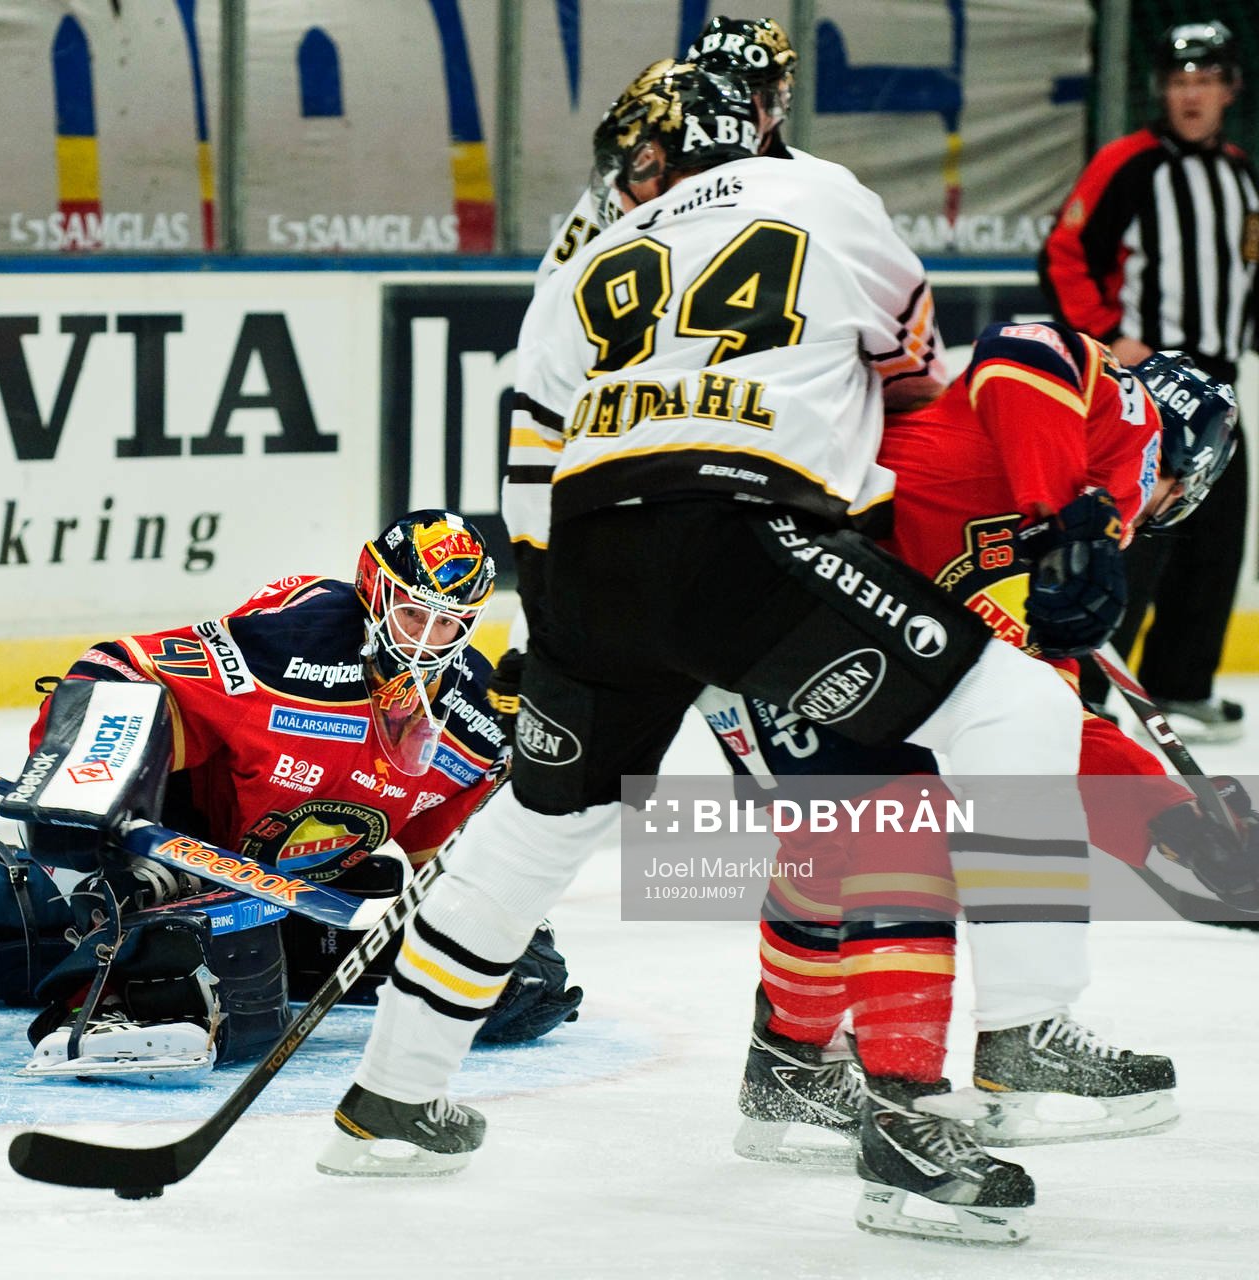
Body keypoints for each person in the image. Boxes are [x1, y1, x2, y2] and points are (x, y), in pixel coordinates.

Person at [319, 62, 1112, 1246]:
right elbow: (906, 369)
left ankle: (389, 1101)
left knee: (538, 827)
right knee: (1015, 715)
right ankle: (1021, 1038)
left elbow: (532, 433)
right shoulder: (826, 193)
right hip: (740, 538)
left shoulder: (595, 247)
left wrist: (550, 615)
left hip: (584, 561)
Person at [723, 327, 1259, 1199]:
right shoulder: (1108, 431)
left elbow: (1052, 733)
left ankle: (791, 1068)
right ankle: (898, 1091)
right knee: (882, 829)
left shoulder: (1063, 553)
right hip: (764, 578)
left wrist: (1184, 827)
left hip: (806, 626)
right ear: (1182, 475)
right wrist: (1067, 513)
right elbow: (1020, 349)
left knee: (840, 838)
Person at [0, 511, 583, 1082]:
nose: (429, 639)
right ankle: (15, 912)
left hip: (288, 886)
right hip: (181, 846)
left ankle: (19, 925)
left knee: (519, 980)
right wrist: (93, 780)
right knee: (216, 988)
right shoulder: (299, 642)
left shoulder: (466, 719)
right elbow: (119, 666)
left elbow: (447, 855)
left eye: (449, 622)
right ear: (374, 590)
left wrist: (493, 920)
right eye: (412, 615)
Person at [1039, 19, 1259, 743]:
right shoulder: (1127, 163)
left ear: (1229, 90)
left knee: (1214, 540)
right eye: (1179, 81)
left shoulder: (1237, 170)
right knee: (1133, 532)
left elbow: (1255, 265)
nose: (1191, 95)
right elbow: (1064, 251)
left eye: (1205, 81)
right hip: (1146, 383)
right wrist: (1110, 336)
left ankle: (1182, 687)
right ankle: (1085, 690)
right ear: (1162, 90)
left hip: (1216, 385)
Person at [539, 16, 799, 285]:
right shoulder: (641, 170)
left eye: (749, 89)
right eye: (716, 85)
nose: (731, 102)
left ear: (778, 97)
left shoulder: (807, 183)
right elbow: (558, 278)